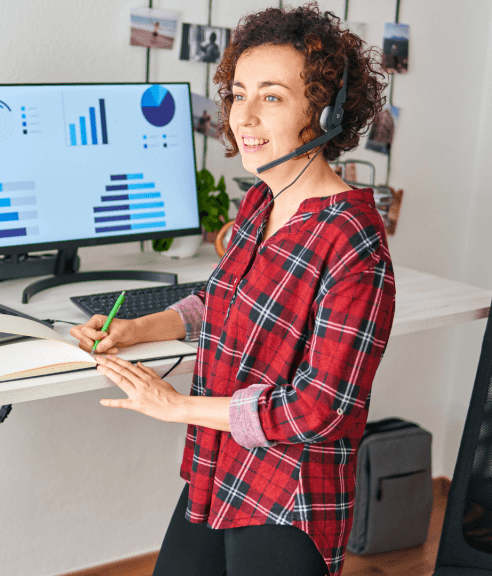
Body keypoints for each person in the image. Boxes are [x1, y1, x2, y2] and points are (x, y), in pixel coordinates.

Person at [70, 4, 392, 576]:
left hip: (288, 493)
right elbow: (220, 299)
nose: (243, 116)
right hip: (218, 466)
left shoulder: (353, 245)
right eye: (238, 93)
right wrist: (141, 329)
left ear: (325, 111)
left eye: (271, 96)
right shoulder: (260, 202)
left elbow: (319, 409)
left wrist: (174, 407)